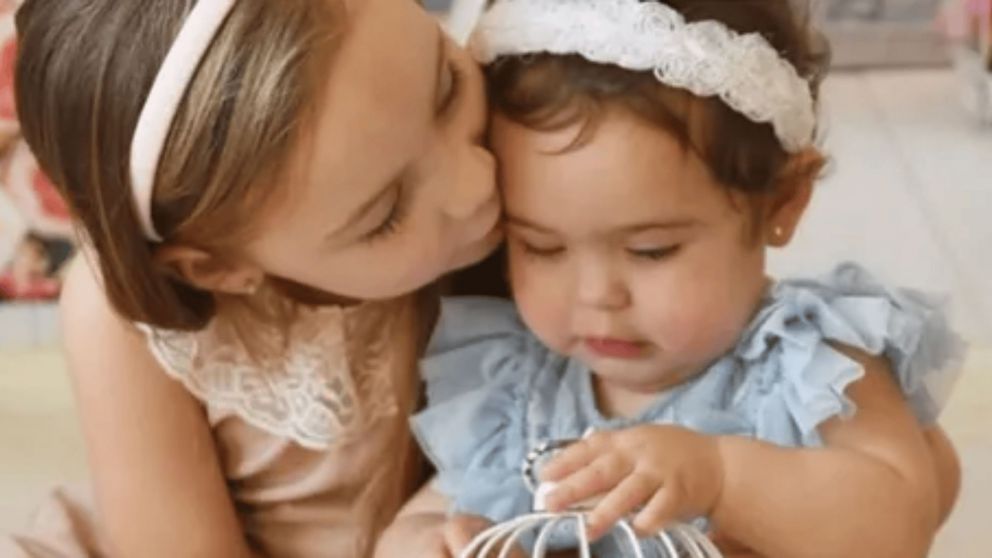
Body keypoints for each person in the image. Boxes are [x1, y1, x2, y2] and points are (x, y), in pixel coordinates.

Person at [384, 0, 965, 556]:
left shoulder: (808, 365)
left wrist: (721, 478)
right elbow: (429, 511)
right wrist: (429, 539)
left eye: (651, 251)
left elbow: (899, 522)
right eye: (542, 247)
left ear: (782, 203)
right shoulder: (519, 388)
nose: (596, 297)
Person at [1, 0, 500, 556]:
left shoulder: (523, 104)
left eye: (448, 88)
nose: (477, 184)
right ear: (218, 268)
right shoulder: (123, 323)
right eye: (385, 215)